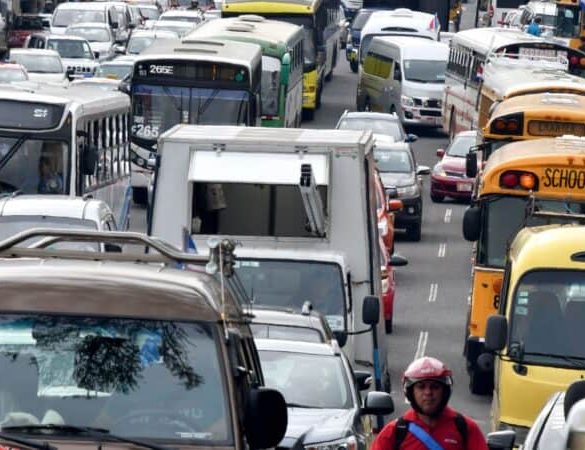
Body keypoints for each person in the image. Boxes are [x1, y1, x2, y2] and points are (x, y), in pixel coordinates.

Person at [371, 357, 488, 450]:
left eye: (435, 387)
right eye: (421, 387)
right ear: (410, 392)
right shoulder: (394, 432)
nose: (428, 393)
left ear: (445, 391)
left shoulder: (465, 428)